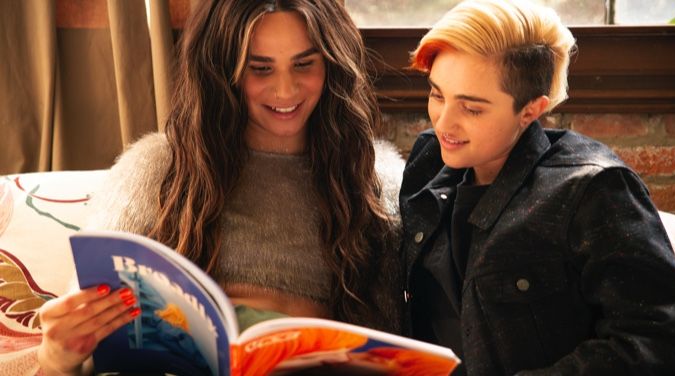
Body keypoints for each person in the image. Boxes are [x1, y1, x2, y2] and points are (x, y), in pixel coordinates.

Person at [37, 0, 405, 374]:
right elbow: (79, 347)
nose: (285, 89)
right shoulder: (154, 168)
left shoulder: (377, 180)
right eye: (259, 69)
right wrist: (56, 356)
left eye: (304, 64)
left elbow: (394, 343)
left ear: (331, 65)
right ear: (221, 69)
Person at [400, 0, 675, 374]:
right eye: (437, 94)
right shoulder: (428, 160)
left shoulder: (593, 190)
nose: (444, 122)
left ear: (531, 110)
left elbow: (657, 337)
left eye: (472, 108)